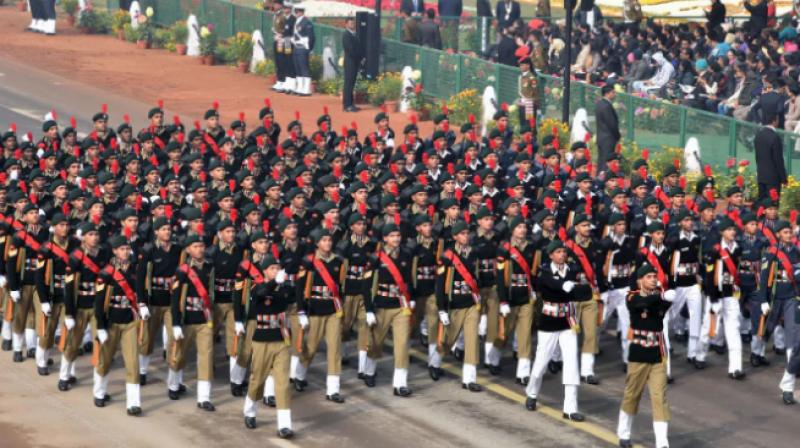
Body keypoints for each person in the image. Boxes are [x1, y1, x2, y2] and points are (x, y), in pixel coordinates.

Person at [524, 239, 591, 420]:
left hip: (568, 321)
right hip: (549, 322)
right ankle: (531, 393)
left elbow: (586, 290)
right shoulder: (545, 271)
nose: (562, 255)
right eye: (558, 252)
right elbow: (548, 284)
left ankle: (570, 408)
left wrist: (575, 286)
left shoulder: (573, 270)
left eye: (564, 252)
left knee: (571, 363)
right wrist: (564, 285)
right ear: (551, 255)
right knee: (541, 363)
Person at [617, 264, 674, 448]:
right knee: (632, 394)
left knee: (660, 397)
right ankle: (624, 433)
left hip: (657, 353)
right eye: (649, 276)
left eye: (654, 276)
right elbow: (641, 304)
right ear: (639, 280)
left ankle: (662, 442)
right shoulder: (632, 296)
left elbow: (661, 305)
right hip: (639, 353)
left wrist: (664, 296)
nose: (653, 279)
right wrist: (661, 296)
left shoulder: (659, 297)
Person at [241, 255, 295, 438]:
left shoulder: (284, 288)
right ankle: (250, 411)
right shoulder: (257, 286)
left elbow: (293, 298)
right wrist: (274, 284)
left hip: (281, 338)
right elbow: (260, 294)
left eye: (277, 268)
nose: (275, 271)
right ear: (264, 271)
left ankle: (284, 425)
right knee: (258, 379)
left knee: (282, 383)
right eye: (271, 268)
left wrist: (289, 284)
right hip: (262, 339)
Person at [94, 235, 148, 416]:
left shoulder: (135, 269)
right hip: (111, 321)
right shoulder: (106, 273)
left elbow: (141, 290)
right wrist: (100, 327)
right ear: (115, 251)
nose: (126, 252)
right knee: (105, 360)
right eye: (122, 249)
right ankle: (99, 392)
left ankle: (133, 403)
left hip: (130, 321)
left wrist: (142, 305)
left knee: (132, 362)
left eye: (127, 249)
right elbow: (99, 302)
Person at [294, 227, 346, 401]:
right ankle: (299, 375)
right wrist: (301, 310)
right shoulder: (308, 261)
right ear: (317, 243)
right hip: (315, 309)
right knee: (311, 347)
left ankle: (333, 389)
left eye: (329, 240)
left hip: (332, 310)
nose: (327, 243)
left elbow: (340, 286)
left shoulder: (338, 261)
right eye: (323, 240)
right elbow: (299, 288)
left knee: (335, 348)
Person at [363, 223, 415, 396]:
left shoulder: (406, 255)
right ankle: (369, 371)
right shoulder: (375, 258)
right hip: (382, 305)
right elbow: (366, 285)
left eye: (398, 235)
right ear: (385, 238)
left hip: (401, 305)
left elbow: (409, 279)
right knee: (376, 343)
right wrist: (369, 310)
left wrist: (412, 299)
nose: (396, 239)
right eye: (392, 236)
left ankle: (400, 384)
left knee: (401, 345)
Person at [169, 234, 216, 411]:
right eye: (195, 246)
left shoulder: (210, 266)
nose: (200, 249)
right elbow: (175, 298)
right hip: (186, 319)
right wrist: (175, 323)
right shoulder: (182, 270)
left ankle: (204, 397)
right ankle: (173, 384)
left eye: (202, 246)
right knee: (179, 354)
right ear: (188, 249)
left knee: (206, 357)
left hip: (205, 319)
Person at [757, 220, 800, 405]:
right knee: (766, 330)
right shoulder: (771, 254)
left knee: (794, 339)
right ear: (778, 235)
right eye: (784, 232)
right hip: (775, 297)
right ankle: (757, 352)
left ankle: (788, 387)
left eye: (789, 232)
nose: (788, 235)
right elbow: (765, 278)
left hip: (792, 298)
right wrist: (763, 301)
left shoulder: (797, 252)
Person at [136, 217, 180, 386]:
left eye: (168, 229)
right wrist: (141, 303)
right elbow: (140, 278)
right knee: (146, 339)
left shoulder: (177, 249)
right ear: (156, 232)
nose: (167, 232)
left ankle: (173, 381)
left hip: (171, 302)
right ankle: (142, 371)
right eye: (163, 229)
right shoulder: (148, 250)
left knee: (173, 340)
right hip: (153, 300)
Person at [754, 114, 788, 199]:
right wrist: (783, 178)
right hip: (773, 178)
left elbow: (757, 157)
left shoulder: (758, 135)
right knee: (773, 205)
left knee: (762, 205)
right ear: (774, 121)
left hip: (761, 176)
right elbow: (778, 160)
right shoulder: (775, 137)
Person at [595, 84, 620, 173]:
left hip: (601, 137)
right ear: (607, 93)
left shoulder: (600, 104)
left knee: (601, 161)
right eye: (613, 92)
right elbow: (611, 124)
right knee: (606, 162)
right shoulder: (607, 106)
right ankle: (603, 180)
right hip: (608, 138)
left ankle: (599, 178)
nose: (615, 94)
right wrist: (617, 136)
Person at [291, 4, 315, 96]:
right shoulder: (297, 22)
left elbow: (311, 37)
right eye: (295, 12)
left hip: (303, 48)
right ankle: (300, 88)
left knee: (304, 68)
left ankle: (306, 89)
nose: (296, 13)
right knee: (298, 68)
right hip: (296, 48)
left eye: (297, 12)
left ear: (301, 12)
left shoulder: (306, 23)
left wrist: (309, 48)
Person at [342, 17, 363, 113]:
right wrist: (358, 56)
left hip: (355, 62)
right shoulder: (346, 35)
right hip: (350, 62)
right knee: (348, 84)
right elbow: (351, 50)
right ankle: (347, 105)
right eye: (350, 23)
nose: (352, 25)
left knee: (352, 84)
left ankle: (351, 103)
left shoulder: (354, 35)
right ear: (346, 24)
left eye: (353, 23)